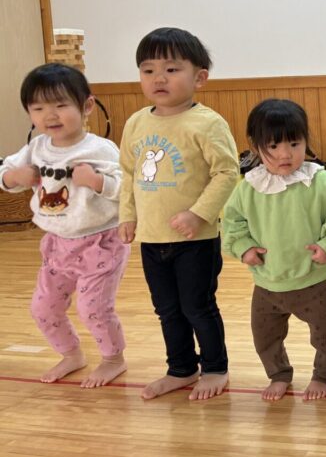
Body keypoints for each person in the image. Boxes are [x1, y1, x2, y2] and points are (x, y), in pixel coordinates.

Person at [118, 27, 239, 401]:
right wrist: (127, 216)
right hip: (152, 239)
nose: (158, 78)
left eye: (171, 69)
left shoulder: (207, 123)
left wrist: (199, 214)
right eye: (148, 70)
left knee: (198, 307)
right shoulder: (136, 123)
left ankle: (215, 368)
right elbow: (127, 173)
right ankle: (181, 369)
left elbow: (227, 172)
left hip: (195, 240)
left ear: (199, 77)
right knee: (167, 310)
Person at [0, 63, 129, 387]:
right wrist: (14, 177)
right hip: (57, 244)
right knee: (43, 308)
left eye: (60, 105)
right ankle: (71, 354)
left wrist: (98, 181)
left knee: (92, 307)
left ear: (87, 106)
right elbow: (5, 173)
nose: (50, 115)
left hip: (100, 242)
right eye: (38, 108)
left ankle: (113, 359)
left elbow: (127, 188)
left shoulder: (100, 149)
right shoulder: (36, 148)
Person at [224, 99, 326, 401]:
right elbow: (232, 223)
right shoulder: (249, 187)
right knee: (265, 336)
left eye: (294, 144)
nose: (285, 154)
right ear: (256, 146)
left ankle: (324, 375)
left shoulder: (320, 181)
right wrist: (243, 248)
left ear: (305, 141)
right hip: (267, 282)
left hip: (314, 281)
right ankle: (278, 374)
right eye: (274, 146)